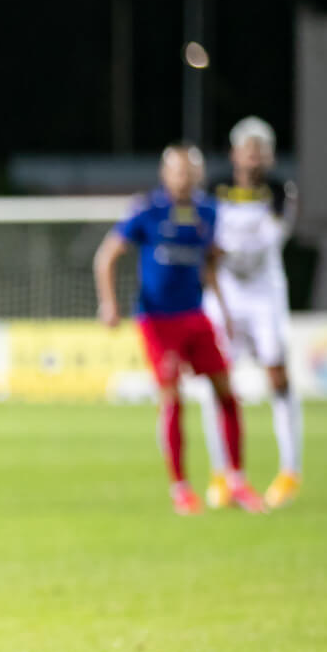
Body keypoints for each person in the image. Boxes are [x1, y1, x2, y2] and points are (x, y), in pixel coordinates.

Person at [93, 144, 264, 515]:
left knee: (227, 392)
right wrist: (109, 303)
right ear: (165, 174)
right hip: (158, 320)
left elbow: (209, 265)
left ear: (198, 176)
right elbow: (106, 256)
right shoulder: (146, 210)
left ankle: (236, 481)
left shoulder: (208, 212)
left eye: (189, 172)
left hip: (196, 316)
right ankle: (181, 488)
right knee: (172, 398)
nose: (183, 178)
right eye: (177, 171)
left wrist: (224, 309)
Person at [198, 117, 301, 509]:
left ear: (270, 156)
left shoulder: (281, 191)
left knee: (277, 375)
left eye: (261, 150)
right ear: (235, 153)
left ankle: (289, 470)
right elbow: (205, 235)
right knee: (216, 380)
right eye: (248, 149)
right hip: (223, 293)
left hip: (264, 293)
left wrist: (224, 249)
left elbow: (266, 242)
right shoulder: (215, 188)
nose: (254, 157)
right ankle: (222, 472)